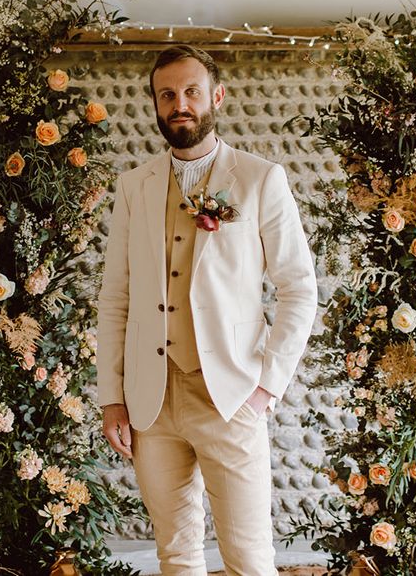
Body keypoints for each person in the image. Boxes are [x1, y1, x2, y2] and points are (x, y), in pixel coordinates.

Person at [97, 45, 317, 575]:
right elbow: (116, 298)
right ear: (155, 104)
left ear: (216, 96)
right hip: (152, 401)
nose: (180, 104)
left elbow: (299, 288)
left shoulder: (261, 179)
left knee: (249, 557)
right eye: (167, 95)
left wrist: (266, 385)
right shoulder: (134, 187)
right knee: (176, 554)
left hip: (232, 394)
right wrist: (111, 398)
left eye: (192, 91)